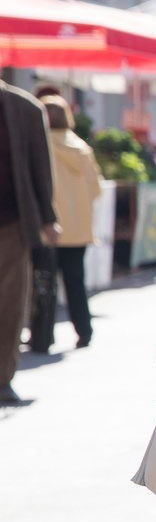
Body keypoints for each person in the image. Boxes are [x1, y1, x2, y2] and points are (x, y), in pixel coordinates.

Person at [1, 78, 58, 405]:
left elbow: (41, 168)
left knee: (9, 303)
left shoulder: (25, 109)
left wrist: (49, 219)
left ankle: (2, 379)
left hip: (11, 222)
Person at [27, 97, 98, 352]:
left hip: (47, 228)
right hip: (78, 229)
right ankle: (84, 331)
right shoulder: (81, 147)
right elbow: (96, 188)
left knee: (44, 283)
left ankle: (43, 337)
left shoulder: (38, 146)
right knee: (76, 283)